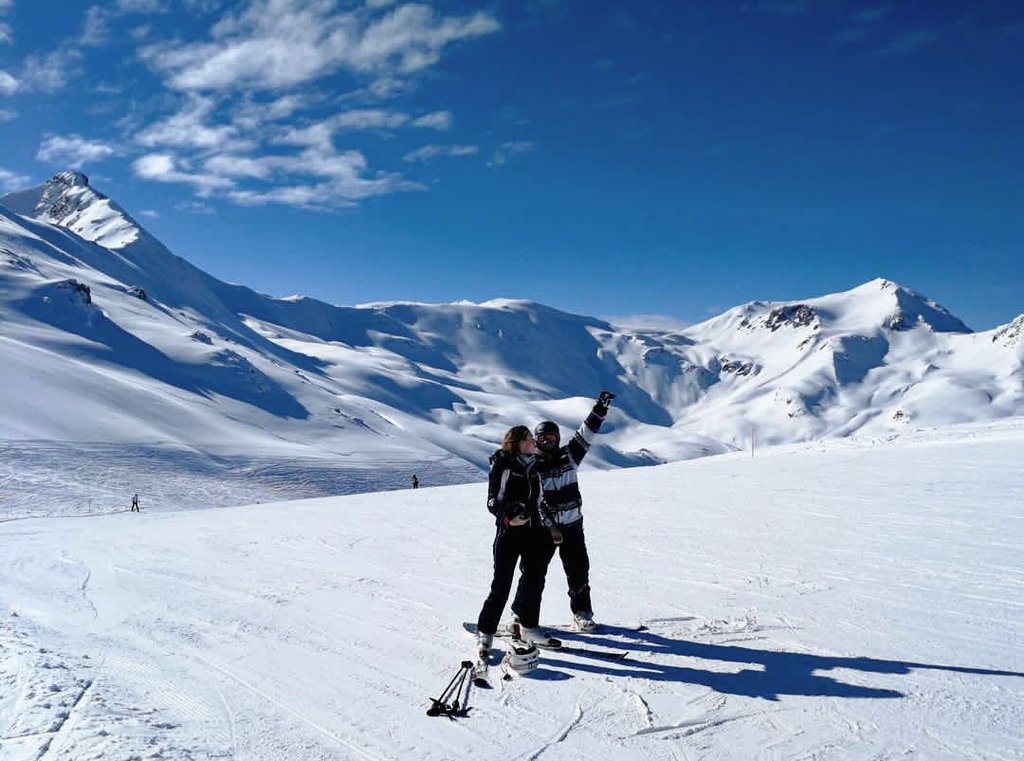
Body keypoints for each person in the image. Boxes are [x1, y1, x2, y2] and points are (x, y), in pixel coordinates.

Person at [527, 391, 615, 632]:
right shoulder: (532, 467)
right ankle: (522, 616)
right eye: (543, 438)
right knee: (533, 574)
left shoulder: (569, 456)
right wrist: (550, 525)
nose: (548, 442)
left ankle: (582, 614)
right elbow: (534, 502)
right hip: (545, 529)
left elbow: (586, 434)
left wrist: (600, 409)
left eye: (552, 437)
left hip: (573, 526)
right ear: (536, 440)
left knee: (579, 572)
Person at [475, 425, 562, 655]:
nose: (534, 442)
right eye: (529, 439)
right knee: (502, 585)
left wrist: (551, 526)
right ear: (517, 442)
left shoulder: (534, 467)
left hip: (534, 533)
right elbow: (493, 501)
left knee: (534, 580)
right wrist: (508, 520)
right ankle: (485, 633)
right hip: (508, 534)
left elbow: (541, 501)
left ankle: (529, 627)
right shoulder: (504, 464)